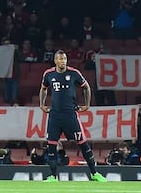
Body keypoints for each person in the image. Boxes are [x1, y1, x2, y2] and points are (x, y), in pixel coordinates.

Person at [38, 49, 106, 182]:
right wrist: (42, 104)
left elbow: (86, 87)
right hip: (55, 115)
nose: (63, 61)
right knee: (51, 144)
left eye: (64, 59)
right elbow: (43, 88)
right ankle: (53, 176)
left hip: (70, 114)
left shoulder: (74, 73)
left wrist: (87, 105)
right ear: (55, 60)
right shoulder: (49, 74)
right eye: (60, 59)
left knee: (83, 142)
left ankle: (94, 173)